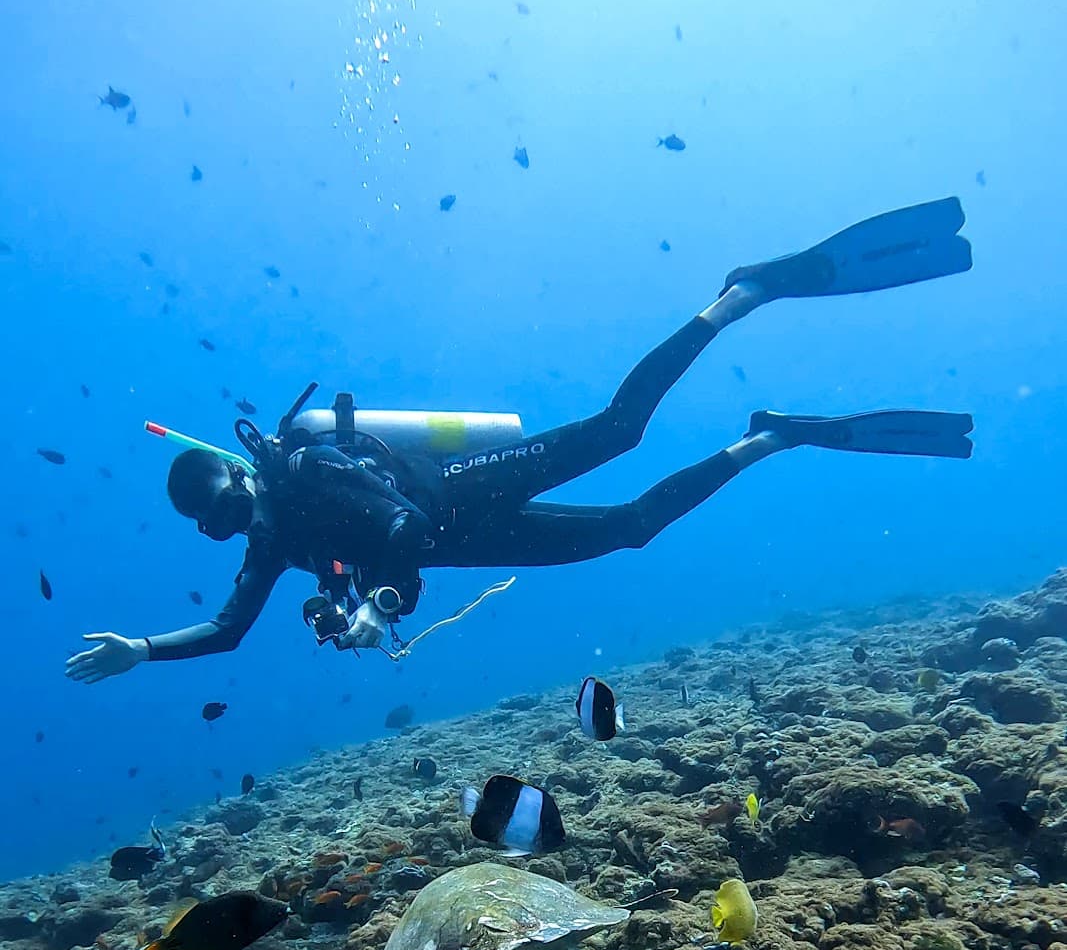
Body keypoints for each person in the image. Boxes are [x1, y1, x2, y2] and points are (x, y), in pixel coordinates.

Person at [65, 197, 974, 684]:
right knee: (628, 529)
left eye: (230, 503)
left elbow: (396, 530)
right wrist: (143, 649)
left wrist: (380, 600)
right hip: (467, 542)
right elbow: (228, 633)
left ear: (236, 473)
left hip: (458, 492)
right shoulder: (274, 539)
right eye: (221, 526)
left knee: (619, 431)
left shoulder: (302, 472)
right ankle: (764, 439)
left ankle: (737, 297)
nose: (240, 523)